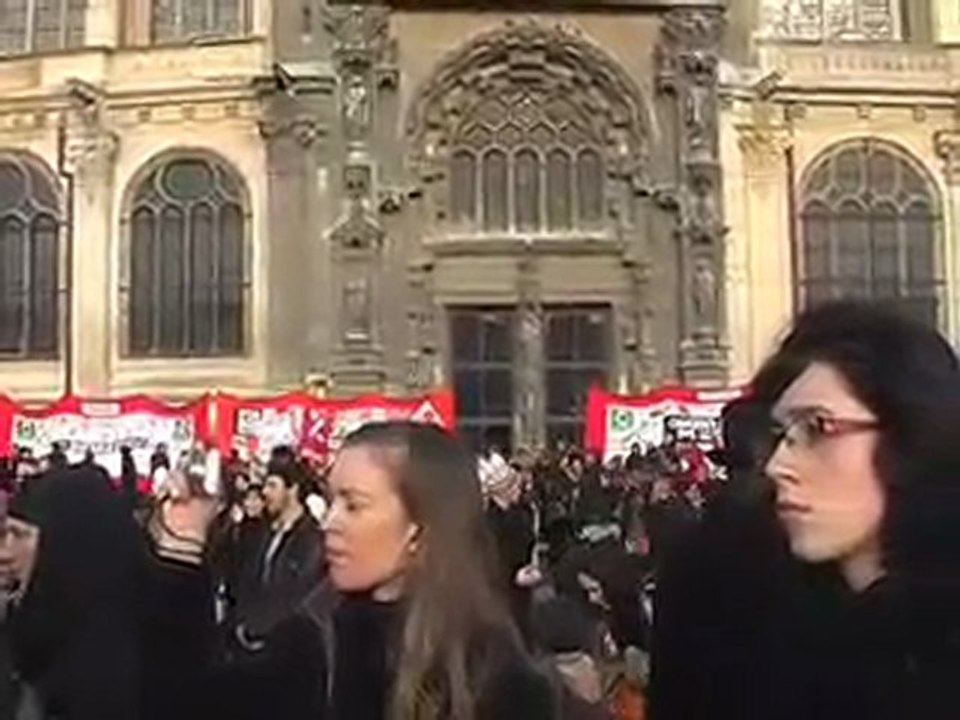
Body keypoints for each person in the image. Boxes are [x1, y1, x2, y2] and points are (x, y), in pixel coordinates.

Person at [653, 300, 960, 720]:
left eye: (818, 428)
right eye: (781, 433)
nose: (779, 465)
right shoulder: (727, 614)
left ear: (911, 435)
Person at [317, 421, 555, 719]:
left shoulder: (491, 672)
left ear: (420, 527)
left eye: (353, 506)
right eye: (330, 501)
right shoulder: (308, 643)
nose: (329, 522)